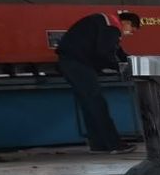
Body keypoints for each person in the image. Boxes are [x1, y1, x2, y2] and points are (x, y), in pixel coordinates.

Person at [55, 9, 140, 152]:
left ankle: (98, 143)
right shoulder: (112, 26)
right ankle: (114, 145)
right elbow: (104, 53)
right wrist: (119, 67)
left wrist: (131, 62)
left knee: (89, 104)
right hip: (78, 64)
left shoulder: (106, 23)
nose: (129, 33)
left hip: (69, 63)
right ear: (127, 22)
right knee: (97, 103)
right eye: (132, 29)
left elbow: (116, 50)